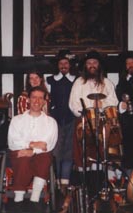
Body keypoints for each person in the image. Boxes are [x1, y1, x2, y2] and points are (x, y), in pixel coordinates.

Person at [69, 50, 119, 198]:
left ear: (99, 65)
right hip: (84, 121)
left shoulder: (107, 83)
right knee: (83, 152)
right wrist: (87, 110)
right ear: (85, 65)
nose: (92, 65)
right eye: (89, 63)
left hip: (103, 121)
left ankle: (101, 183)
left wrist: (101, 104)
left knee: (102, 151)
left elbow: (114, 102)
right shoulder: (79, 82)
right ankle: (85, 184)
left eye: (94, 63)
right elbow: (73, 104)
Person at [8, 86, 58, 212]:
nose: (37, 101)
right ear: (28, 100)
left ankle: (35, 199)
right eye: (34, 97)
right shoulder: (17, 120)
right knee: (23, 158)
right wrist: (32, 144)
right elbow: (13, 142)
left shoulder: (50, 122)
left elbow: (49, 144)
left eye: (40, 98)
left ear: (44, 101)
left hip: (40, 155)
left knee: (45, 157)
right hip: (20, 153)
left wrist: (32, 151)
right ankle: (18, 200)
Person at [46, 49, 76, 194]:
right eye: (61, 63)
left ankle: (65, 181)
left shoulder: (76, 80)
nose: (63, 65)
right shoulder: (51, 80)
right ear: (57, 66)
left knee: (69, 151)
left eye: (66, 63)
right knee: (56, 150)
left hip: (71, 118)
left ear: (70, 65)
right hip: (56, 119)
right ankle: (56, 180)